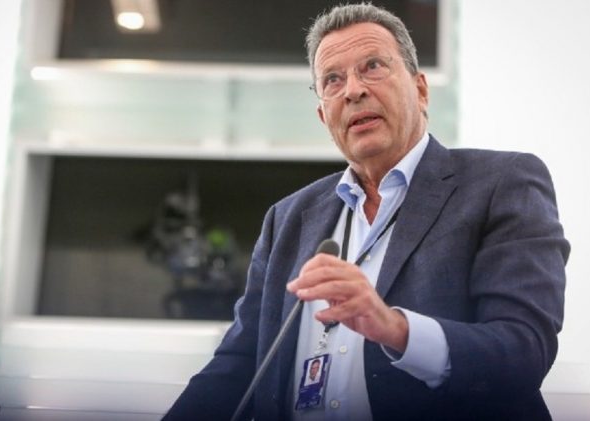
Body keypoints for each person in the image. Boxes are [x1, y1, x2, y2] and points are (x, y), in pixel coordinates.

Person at [163, 3, 568, 420]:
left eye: (372, 66)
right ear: (324, 115)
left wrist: (394, 328)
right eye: (332, 80)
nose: (352, 90)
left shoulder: (502, 182)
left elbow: (524, 349)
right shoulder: (287, 219)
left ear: (421, 90)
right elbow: (237, 365)